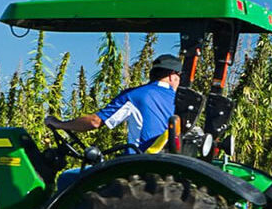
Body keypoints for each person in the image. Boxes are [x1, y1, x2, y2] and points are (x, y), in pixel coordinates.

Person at [45, 54, 181, 186]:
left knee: (66, 178)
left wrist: (59, 124)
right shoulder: (180, 102)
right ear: (172, 76)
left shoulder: (136, 95)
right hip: (164, 167)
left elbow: (94, 122)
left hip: (136, 168)